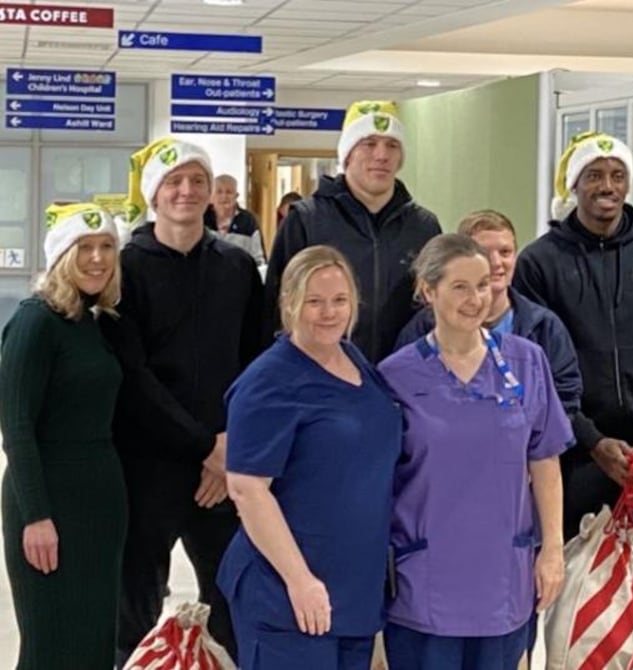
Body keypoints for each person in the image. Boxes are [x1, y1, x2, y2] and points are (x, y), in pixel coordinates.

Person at [101, 137, 267, 664]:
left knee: (231, 598)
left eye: (198, 180)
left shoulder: (236, 268)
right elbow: (134, 377)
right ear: (154, 195)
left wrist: (229, 445)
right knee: (136, 604)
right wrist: (205, 447)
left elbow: (256, 363)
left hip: (223, 467)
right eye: (175, 182)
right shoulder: (126, 269)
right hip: (150, 467)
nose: (188, 191)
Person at [379, 234, 571, 670]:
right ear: (428, 292)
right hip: (426, 578)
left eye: (483, 285)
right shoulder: (397, 375)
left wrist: (553, 551)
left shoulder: (527, 362)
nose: (475, 299)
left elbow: (545, 461)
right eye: (460, 287)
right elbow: (379, 483)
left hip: (504, 575)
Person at [513, 131, 633, 555]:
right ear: (574, 185)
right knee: (575, 593)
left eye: (618, 175)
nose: (607, 186)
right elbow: (537, 369)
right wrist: (592, 440)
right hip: (573, 455)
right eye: (594, 175)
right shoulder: (539, 263)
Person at [218, 246, 403, 669]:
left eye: (339, 300)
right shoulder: (268, 382)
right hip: (287, 591)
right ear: (289, 304)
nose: (328, 313)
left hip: (353, 589)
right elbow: (246, 489)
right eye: (313, 301)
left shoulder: (354, 360)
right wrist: (299, 580)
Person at [0, 204, 125, 669]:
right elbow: (16, 426)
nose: (97, 258)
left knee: (93, 643)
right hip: (49, 501)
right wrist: (36, 516)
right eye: (84, 248)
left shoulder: (92, 322)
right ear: (60, 256)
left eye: (106, 247)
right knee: (50, 644)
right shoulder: (36, 322)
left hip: (99, 503)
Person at [266, 100, 441, 364]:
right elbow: (276, 312)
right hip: (324, 379)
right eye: (369, 143)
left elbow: (435, 309)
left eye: (392, 145)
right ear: (347, 154)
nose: (382, 155)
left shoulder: (424, 227)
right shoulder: (306, 221)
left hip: (405, 381)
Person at [395, 209, 581, 413]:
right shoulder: (423, 328)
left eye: (505, 252)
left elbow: (564, 399)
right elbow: (403, 399)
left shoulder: (544, 327)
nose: (496, 262)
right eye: (484, 252)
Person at [205, 174, 265, 266]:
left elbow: (258, 259)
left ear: (236, 196)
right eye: (219, 192)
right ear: (211, 196)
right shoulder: (201, 218)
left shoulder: (248, 221)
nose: (224, 196)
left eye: (229, 192)